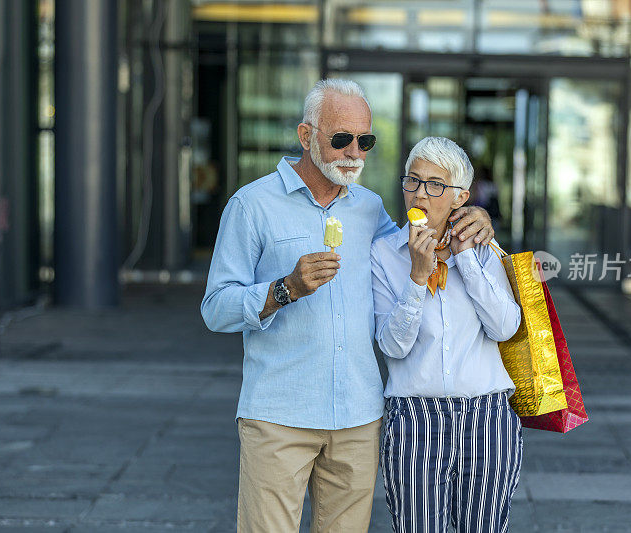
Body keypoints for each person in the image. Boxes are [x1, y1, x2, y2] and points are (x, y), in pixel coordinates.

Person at [200, 80, 495, 532]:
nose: (355, 152)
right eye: (341, 139)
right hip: (281, 414)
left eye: (365, 140)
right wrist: (285, 289)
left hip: (358, 418)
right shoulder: (252, 206)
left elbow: (413, 247)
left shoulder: (370, 208)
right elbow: (216, 308)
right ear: (306, 136)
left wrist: (470, 216)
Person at [370, 136, 523, 533]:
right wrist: (417, 278)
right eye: (413, 181)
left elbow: (505, 326)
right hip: (416, 418)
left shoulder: (484, 248)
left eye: (435, 185)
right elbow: (392, 345)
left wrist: (466, 258)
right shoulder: (384, 253)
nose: (420, 194)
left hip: (487, 416)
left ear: (460, 197)